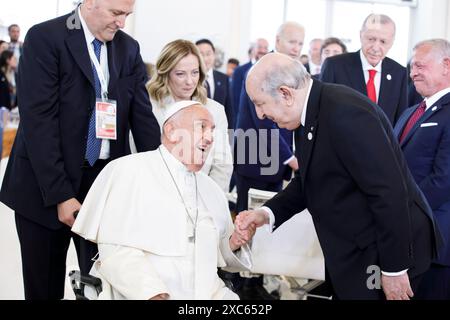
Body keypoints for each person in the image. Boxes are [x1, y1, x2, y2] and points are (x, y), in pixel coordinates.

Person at [236, 52, 441, 300]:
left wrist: (394, 268)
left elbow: (388, 192)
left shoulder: (347, 114)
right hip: (355, 247)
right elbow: (308, 180)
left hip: (386, 251)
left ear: (285, 94)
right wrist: (265, 213)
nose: (259, 114)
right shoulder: (305, 114)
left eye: (260, 103)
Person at [0, 0, 161, 300]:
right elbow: (40, 125)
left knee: (104, 283)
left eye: (127, 15)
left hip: (102, 186)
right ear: (91, 2)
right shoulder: (45, 38)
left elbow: (143, 120)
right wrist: (61, 194)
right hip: (44, 185)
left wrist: (164, 178)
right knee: (44, 287)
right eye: (116, 13)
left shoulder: (128, 48)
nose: (122, 23)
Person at [72, 101, 254, 300]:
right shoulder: (129, 171)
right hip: (142, 294)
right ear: (171, 131)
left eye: (212, 131)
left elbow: (218, 260)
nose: (210, 138)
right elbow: (115, 251)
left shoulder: (212, 190)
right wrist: (152, 293)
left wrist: (234, 241)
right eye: (202, 127)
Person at [394, 39, 450, 299]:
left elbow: (443, 180)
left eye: (420, 65)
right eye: (411, 66)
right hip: (406, 240)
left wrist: (399, 209)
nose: (413, 72)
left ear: (446, 66)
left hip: (436, 240)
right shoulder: (410, 112)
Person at [147, 39, 233, 193]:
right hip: (156, 192)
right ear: (165, 73)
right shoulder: (149, 107)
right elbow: (140, 157)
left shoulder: (215, 110)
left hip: (200, 195)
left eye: (195, 72)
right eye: (180, 74)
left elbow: (222, 164)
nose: (189, 81)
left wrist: (210, 199)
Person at [320, 14, 408, 126]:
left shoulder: (399, 73)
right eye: (371, 39)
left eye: (383, 42)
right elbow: (323, 111)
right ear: (361, 35)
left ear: (392, 42)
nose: (376, 48)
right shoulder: (335, 65)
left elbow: (400, 120)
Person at [196, 39, 234, 129]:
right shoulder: (191, 80)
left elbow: (229, 110)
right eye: (201, 54)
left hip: (219, 131)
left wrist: (230, 136)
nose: (205, 58)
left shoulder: (224, 78)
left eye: (208, 54)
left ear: (214, 55)